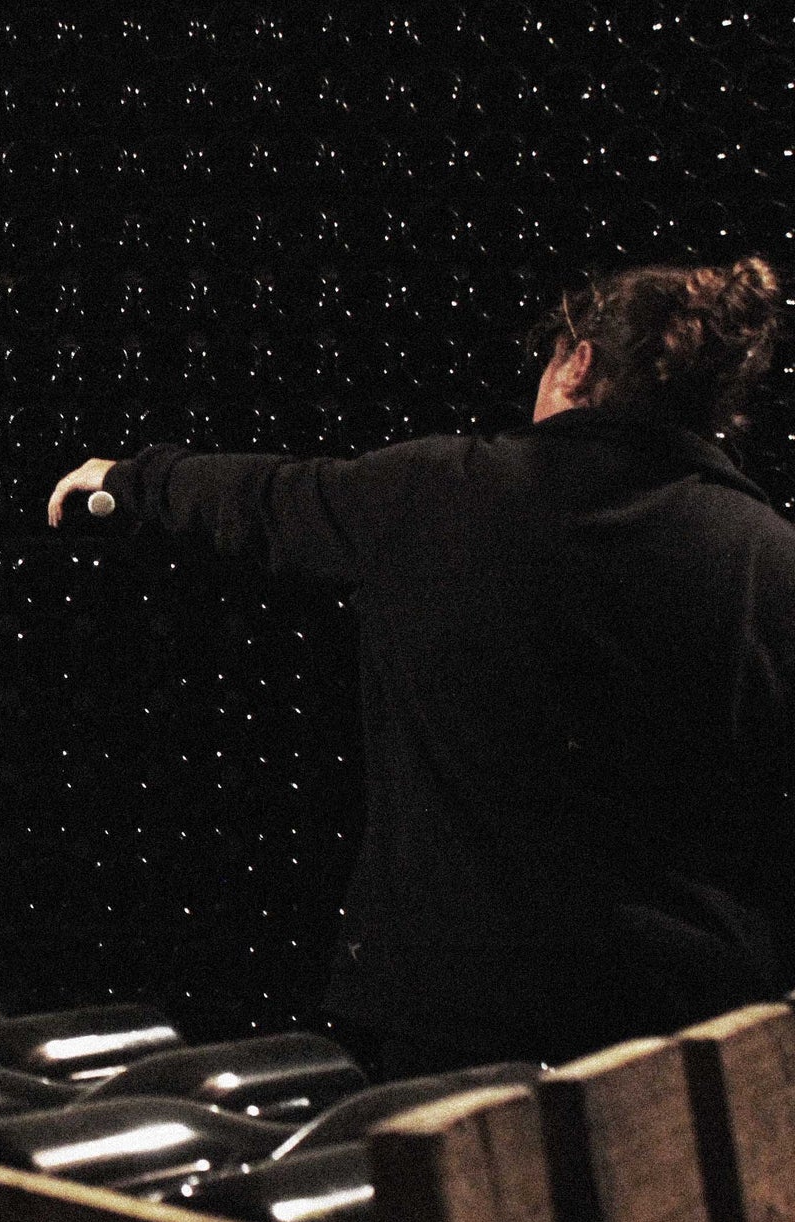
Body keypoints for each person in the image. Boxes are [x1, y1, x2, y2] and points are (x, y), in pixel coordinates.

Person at [47, 257, 792, 1078]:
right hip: (686, 1025)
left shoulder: (438, 490)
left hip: (457, 1007)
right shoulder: (770, 556)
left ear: (577, 363)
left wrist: (135, 477)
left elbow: (264, 497)